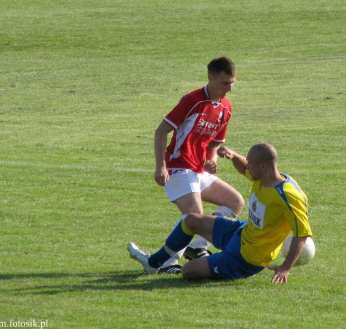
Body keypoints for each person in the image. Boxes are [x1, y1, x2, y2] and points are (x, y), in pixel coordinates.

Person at [128, 143, 313, 283]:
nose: (247, 166)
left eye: (251, 163)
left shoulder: (289, 196)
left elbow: (302, 234)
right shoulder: (262, 176)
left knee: (188, 272)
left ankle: (212, 261)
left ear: (263, 166)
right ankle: (154, 263)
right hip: (241, 232)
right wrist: (233, 157)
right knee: (191, 220)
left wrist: (285, 268)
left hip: (248, 258)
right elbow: (244, 169)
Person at [128, 56, 245, 274]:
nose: (229, 88)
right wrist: (160, 166)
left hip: (197, 171)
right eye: (225, 83)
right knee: (194, 215)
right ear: (210, 77)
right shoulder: (193, 100)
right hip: (177, 168)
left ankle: (197, 246)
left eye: (232, 83)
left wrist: (212, 160)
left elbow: (215, 143)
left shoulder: (226, 108)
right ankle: (166, 262)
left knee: (235, 201)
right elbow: (161, 130)